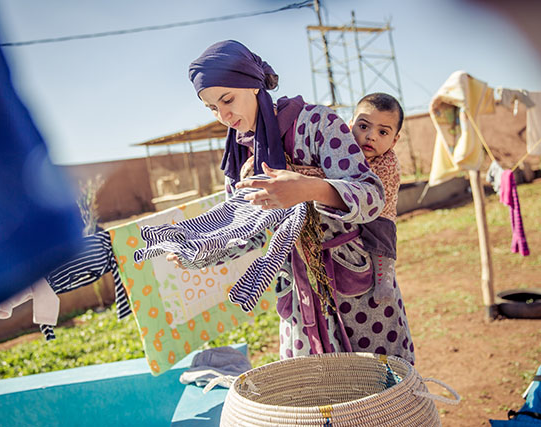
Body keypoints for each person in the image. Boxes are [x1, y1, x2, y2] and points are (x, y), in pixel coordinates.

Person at [177, 40, 415, 363]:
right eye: (211, 108)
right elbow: (252, 233)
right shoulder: (241, 159)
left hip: (358, 292)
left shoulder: (316, 125)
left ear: (253, 86)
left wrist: (309, 188)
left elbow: (372, 195)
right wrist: (199, 252)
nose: (223, 115)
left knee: (383, 390)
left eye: (227, 99)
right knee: (312, 399)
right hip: (298, 300)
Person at [349, 93, 403, 305]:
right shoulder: (339, 146)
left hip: (379, 210)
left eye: (383, 132)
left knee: (381, 235)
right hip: (352, 204)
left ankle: (384, 277)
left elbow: (354, 185)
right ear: (350, 124)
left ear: (394, 140)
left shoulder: (386, 163)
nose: (371, 136)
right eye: (363, 127)